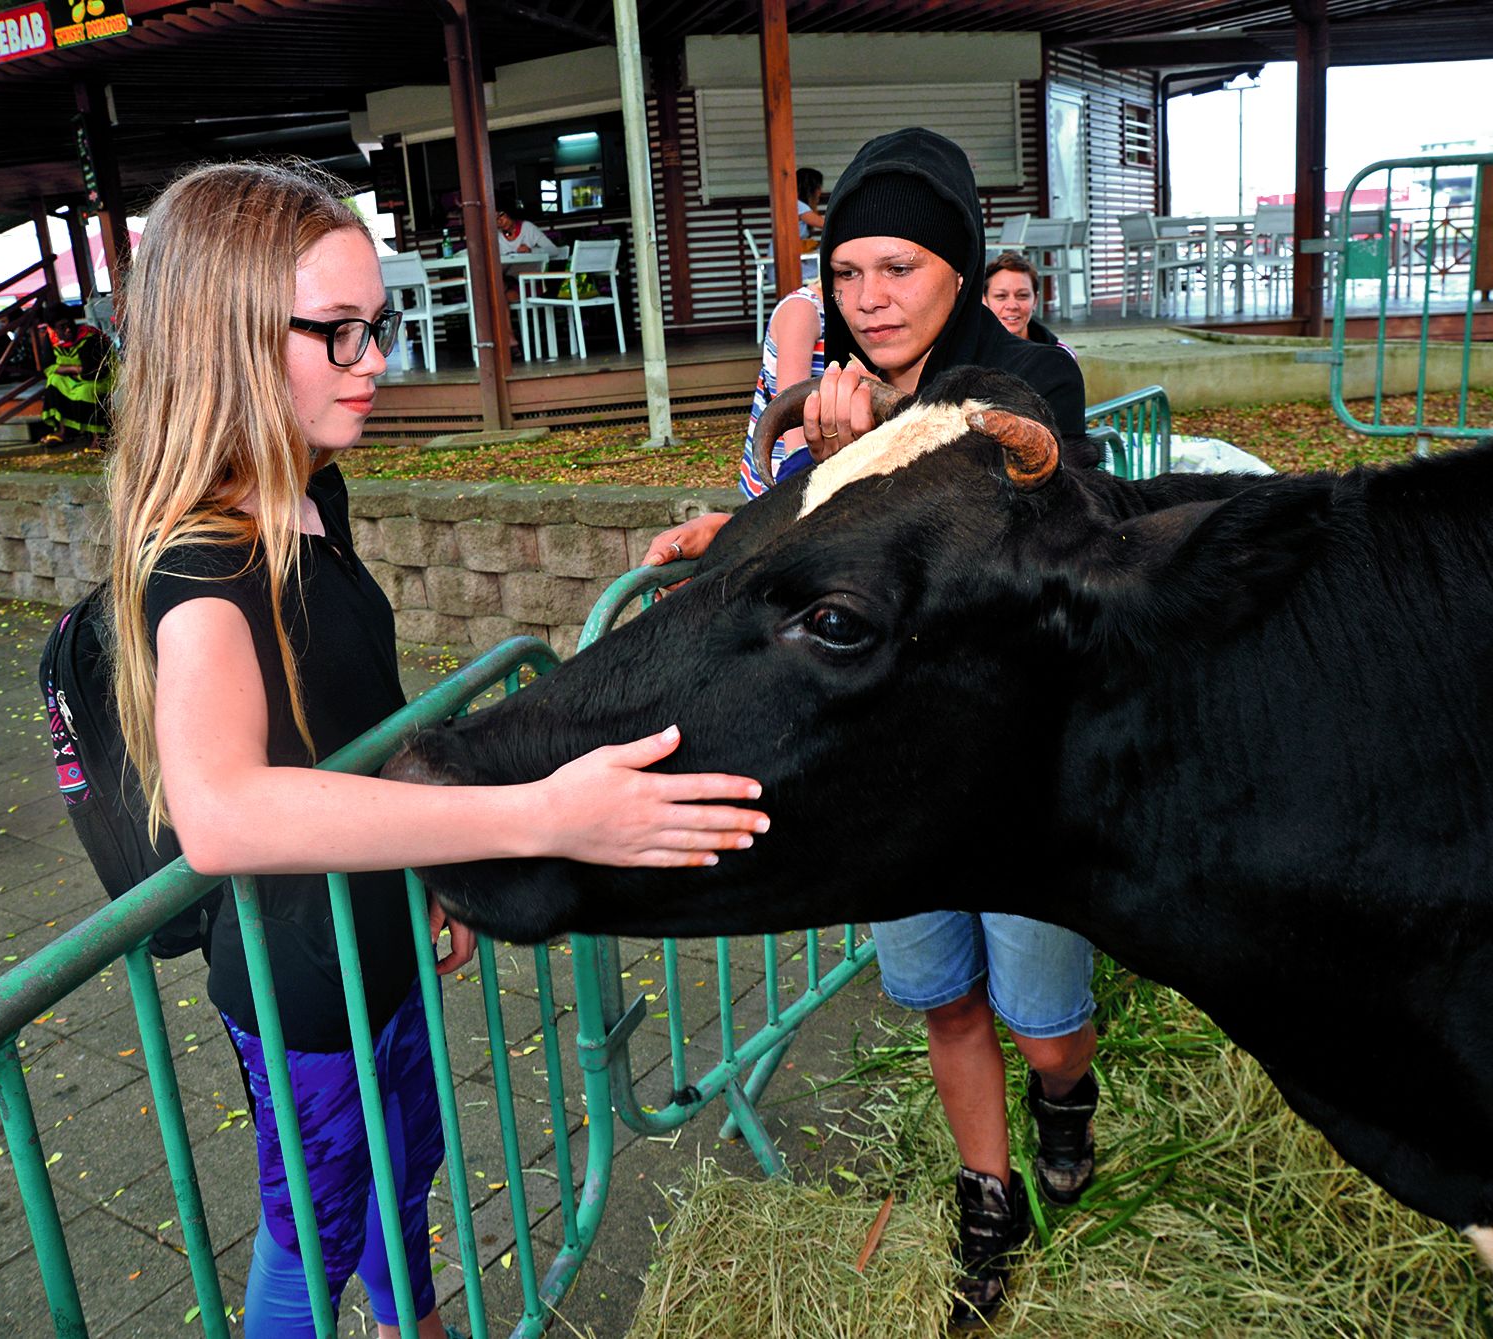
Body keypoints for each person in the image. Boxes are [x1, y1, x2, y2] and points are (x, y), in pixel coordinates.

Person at [106, 161, 769, 1339]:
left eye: (381, 327)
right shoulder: (200, 562)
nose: (378, 362)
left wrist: (423, 870)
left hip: (374, 935)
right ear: (227, 339)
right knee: (308, 1237)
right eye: (340, 334)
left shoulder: (312, 487)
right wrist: (537, 818)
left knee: (399, 1175)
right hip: (302, 979)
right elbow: (220, 810)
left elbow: (348, 726)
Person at [640, 127, 1099, 1330]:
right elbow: (799, 540)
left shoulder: (1031, 386)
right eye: (845, 274)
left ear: (956, 266)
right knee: (943, 1000)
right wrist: (729, 537)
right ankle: (984, 1201)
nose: (867, 298)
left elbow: (1007, 573)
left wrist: (865, 463)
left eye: (896, 268)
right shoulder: (834, 394)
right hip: (888, 771)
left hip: (1014, 770)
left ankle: (1065, 1095)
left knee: (1045, 1027)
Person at [738, 279, 826, 498]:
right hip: (785, 475)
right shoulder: (803, 309)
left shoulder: (851, 310)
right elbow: (789, 407)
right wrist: (793, 482)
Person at [983, 249, 1076, 361]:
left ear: (1035, 300)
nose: (1012, 306)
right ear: (984, 300)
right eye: (1001, 296)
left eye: (1022, 295)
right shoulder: (969, 354)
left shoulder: (1061, 356)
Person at [495, 198, 563, 264]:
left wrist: (531, 251)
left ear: (509, 211)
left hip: (530, 274)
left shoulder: (528, 228)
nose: (499, 221)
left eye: (501, 215)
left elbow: (554, 250)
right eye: (495, 219)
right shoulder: (496, 235)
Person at [795, 167, 825, 252]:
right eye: (818, 187)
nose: (820, 191)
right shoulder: (798, 205)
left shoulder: (798, 204)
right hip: (787, 256)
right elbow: (824, 224)